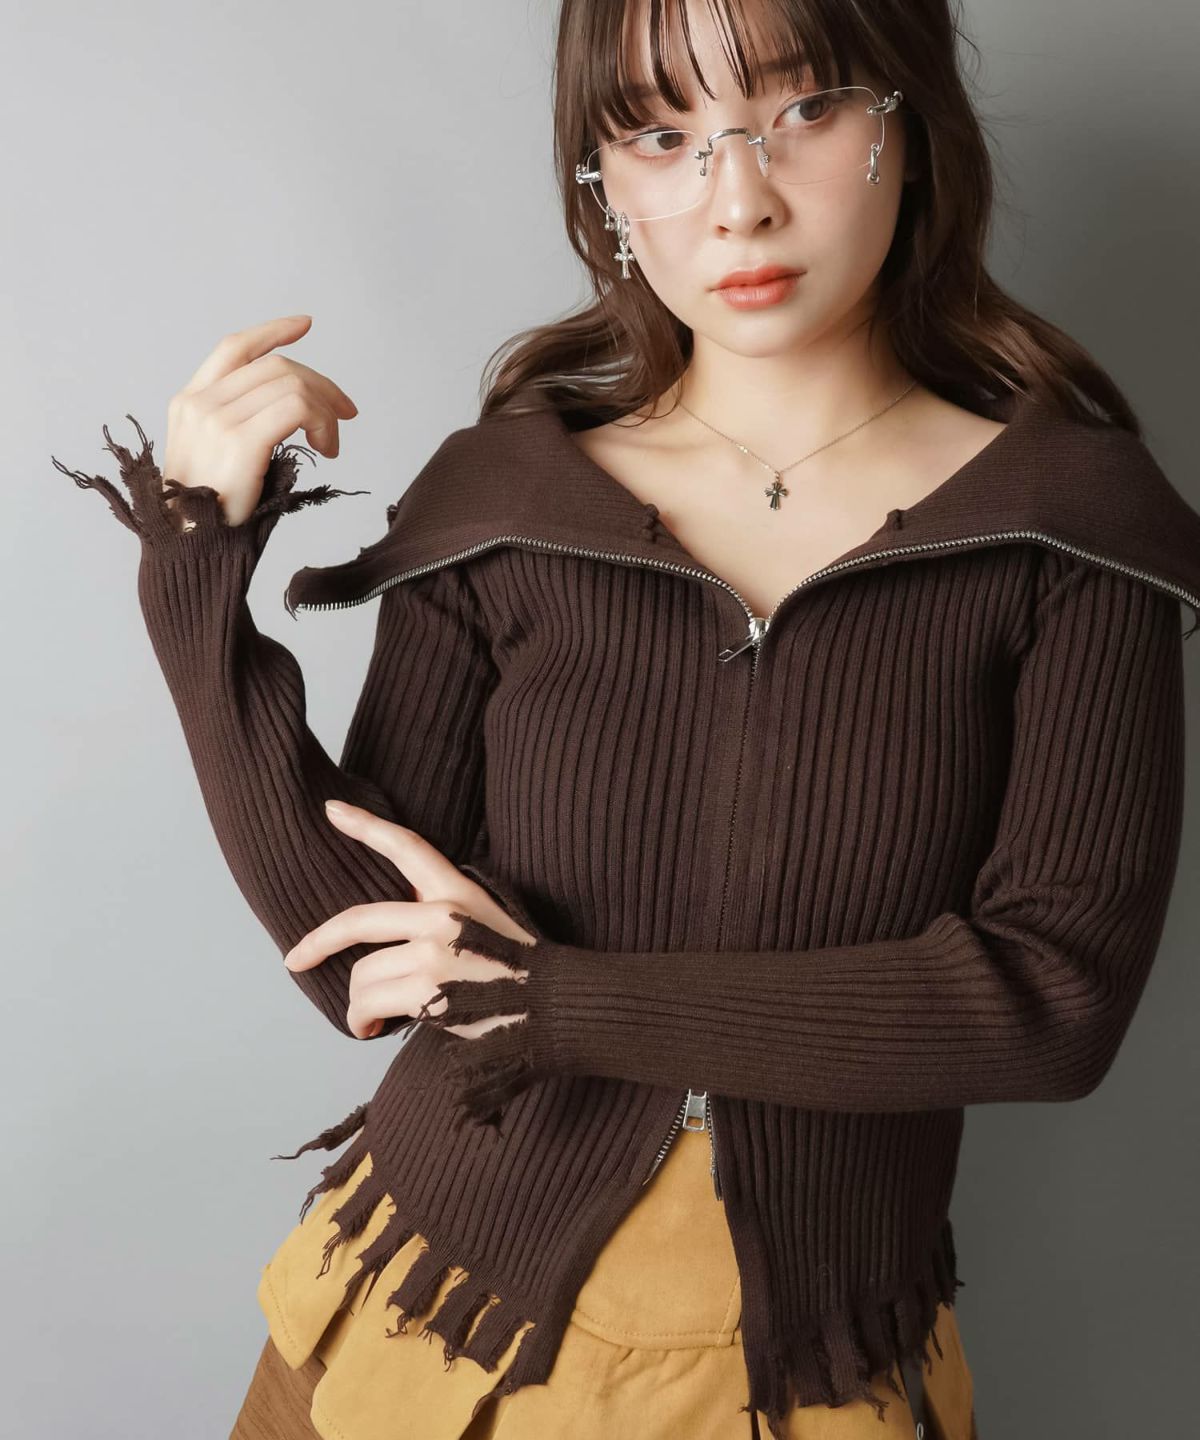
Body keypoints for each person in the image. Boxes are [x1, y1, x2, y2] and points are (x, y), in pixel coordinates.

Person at [51, 1, 1200, 1437]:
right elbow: (365, 959)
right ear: (603, 184)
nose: (740, 198)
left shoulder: (1068, 533)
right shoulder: (508, 502)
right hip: (407, 1329)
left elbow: (1053, 1004)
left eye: (804, 109)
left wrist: (564, 1005)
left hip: (792, 1373)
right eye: (662, 135)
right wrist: (191, 577)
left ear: (909, 124)